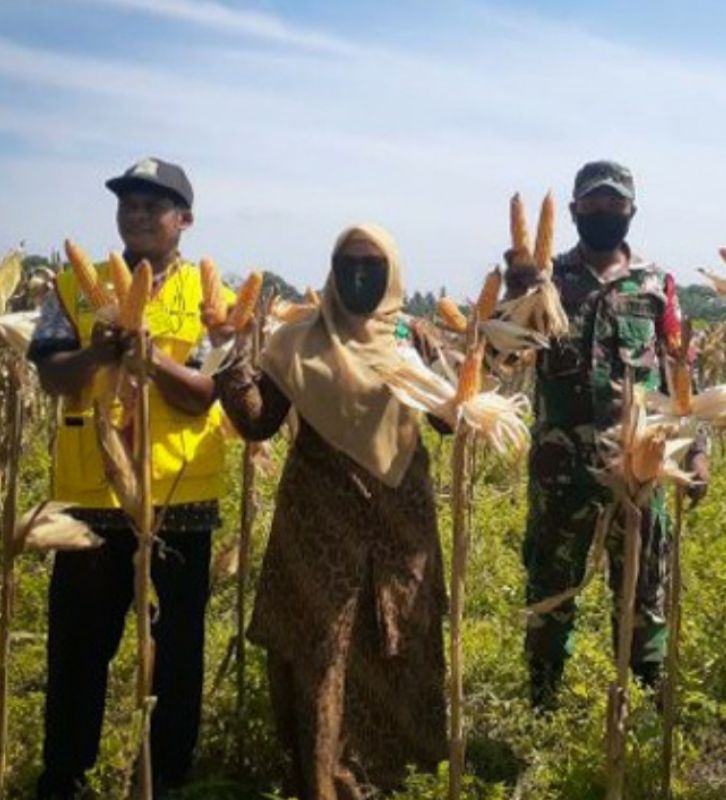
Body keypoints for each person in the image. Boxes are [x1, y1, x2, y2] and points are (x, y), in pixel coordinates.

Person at [214, 223, 447, 799]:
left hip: (399, 521)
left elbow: (448, 419)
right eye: (349, 266)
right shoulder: (298, 341)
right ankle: (320, 777)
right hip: (318, 519)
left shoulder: (409, 342)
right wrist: (228, 356)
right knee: (321, 647)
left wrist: (438, 365)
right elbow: (257, 422)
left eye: (373, 266)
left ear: (392, 273)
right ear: (332, 273)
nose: (360, 276)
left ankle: (392, 776)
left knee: (394, 637)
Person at [28, 157, 229, 799]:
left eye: (153, 206)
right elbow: (51, 375)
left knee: (176, 653)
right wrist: (99, 352)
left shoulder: (209, 296)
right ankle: (63, 777)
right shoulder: (72, 287)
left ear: (183, 221)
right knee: (78, 652)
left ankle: (165, 778)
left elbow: (205, 393)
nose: (137, 215)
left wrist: (148, 359)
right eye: (128, 205)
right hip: (91, 500)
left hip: (180, 499)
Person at [504, 160, 708, 710]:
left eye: (613, 205)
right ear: (573, 212)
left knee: (644, 588)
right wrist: (512, 293)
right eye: (592, 205)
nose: (602, 214)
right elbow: (501, 354)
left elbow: (681, 371)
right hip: (561, 469)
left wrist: (698, 451)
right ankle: (542, 704)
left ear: (631, 212)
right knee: (550, 585)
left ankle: (646, 703)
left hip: (638, 469)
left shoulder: (655, 286)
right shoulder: (547, 280)